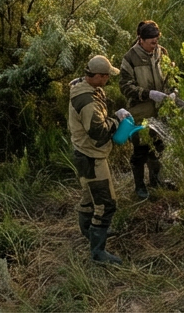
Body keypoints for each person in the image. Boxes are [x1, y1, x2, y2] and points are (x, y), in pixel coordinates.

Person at [67, 54, 130, 264]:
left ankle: (89, 232)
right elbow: (98, 132)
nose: (107, 80)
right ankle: (98, 253)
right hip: (92, 156)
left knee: (89, 197)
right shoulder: (87, 102)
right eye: (106, 76)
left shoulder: (84, 86)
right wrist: (117, 120)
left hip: (84, 153)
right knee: (106, 203)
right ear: (98, 76)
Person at [119, 20, 175, 200]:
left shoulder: (162, 52)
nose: (155, 45)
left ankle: (156, 180)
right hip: (140, 113)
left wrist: (173, 91)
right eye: (151, 42)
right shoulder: (130, 58)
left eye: (157, 41)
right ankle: (139, 186)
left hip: (160, 111)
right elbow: (125, 87)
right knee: (140, 150)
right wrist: (148, 93)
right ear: (141, 40)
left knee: (158, 147)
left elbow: (171, 75)